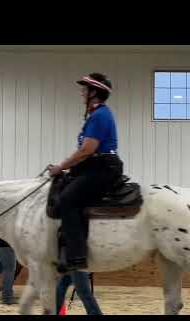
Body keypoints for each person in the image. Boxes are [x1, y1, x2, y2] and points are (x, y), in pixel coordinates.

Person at [48, 73, 123, 272]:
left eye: (84, 90)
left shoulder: (99, 116)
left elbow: (87, 149)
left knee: (68, 199)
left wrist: (61, 166)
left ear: (94, 93)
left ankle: (76, 256)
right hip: (94, 166)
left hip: (103, 167)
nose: (81, 93)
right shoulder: (96, 115)